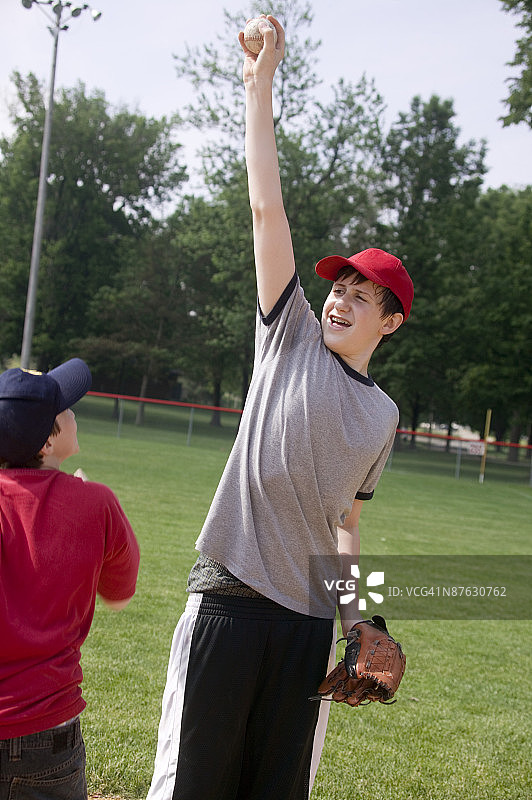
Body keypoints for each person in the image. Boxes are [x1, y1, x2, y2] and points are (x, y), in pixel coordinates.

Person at [147, 15, 413, 800]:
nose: (340, 302)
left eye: (362, 298)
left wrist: (363, 620)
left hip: (303, 627)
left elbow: (347, 526)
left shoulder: (383, 416)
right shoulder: (287, 335)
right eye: (339, 287)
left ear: (390, 323)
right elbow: (268, 209)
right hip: (227, 600)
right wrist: (260, 84)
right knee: (191, 785)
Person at [0, 358, 140, 799]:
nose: (74, 410)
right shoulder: (95, 504)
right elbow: (120, 593)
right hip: (48, 737)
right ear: (46, 442)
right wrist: (82, 506)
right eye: (64, 408)